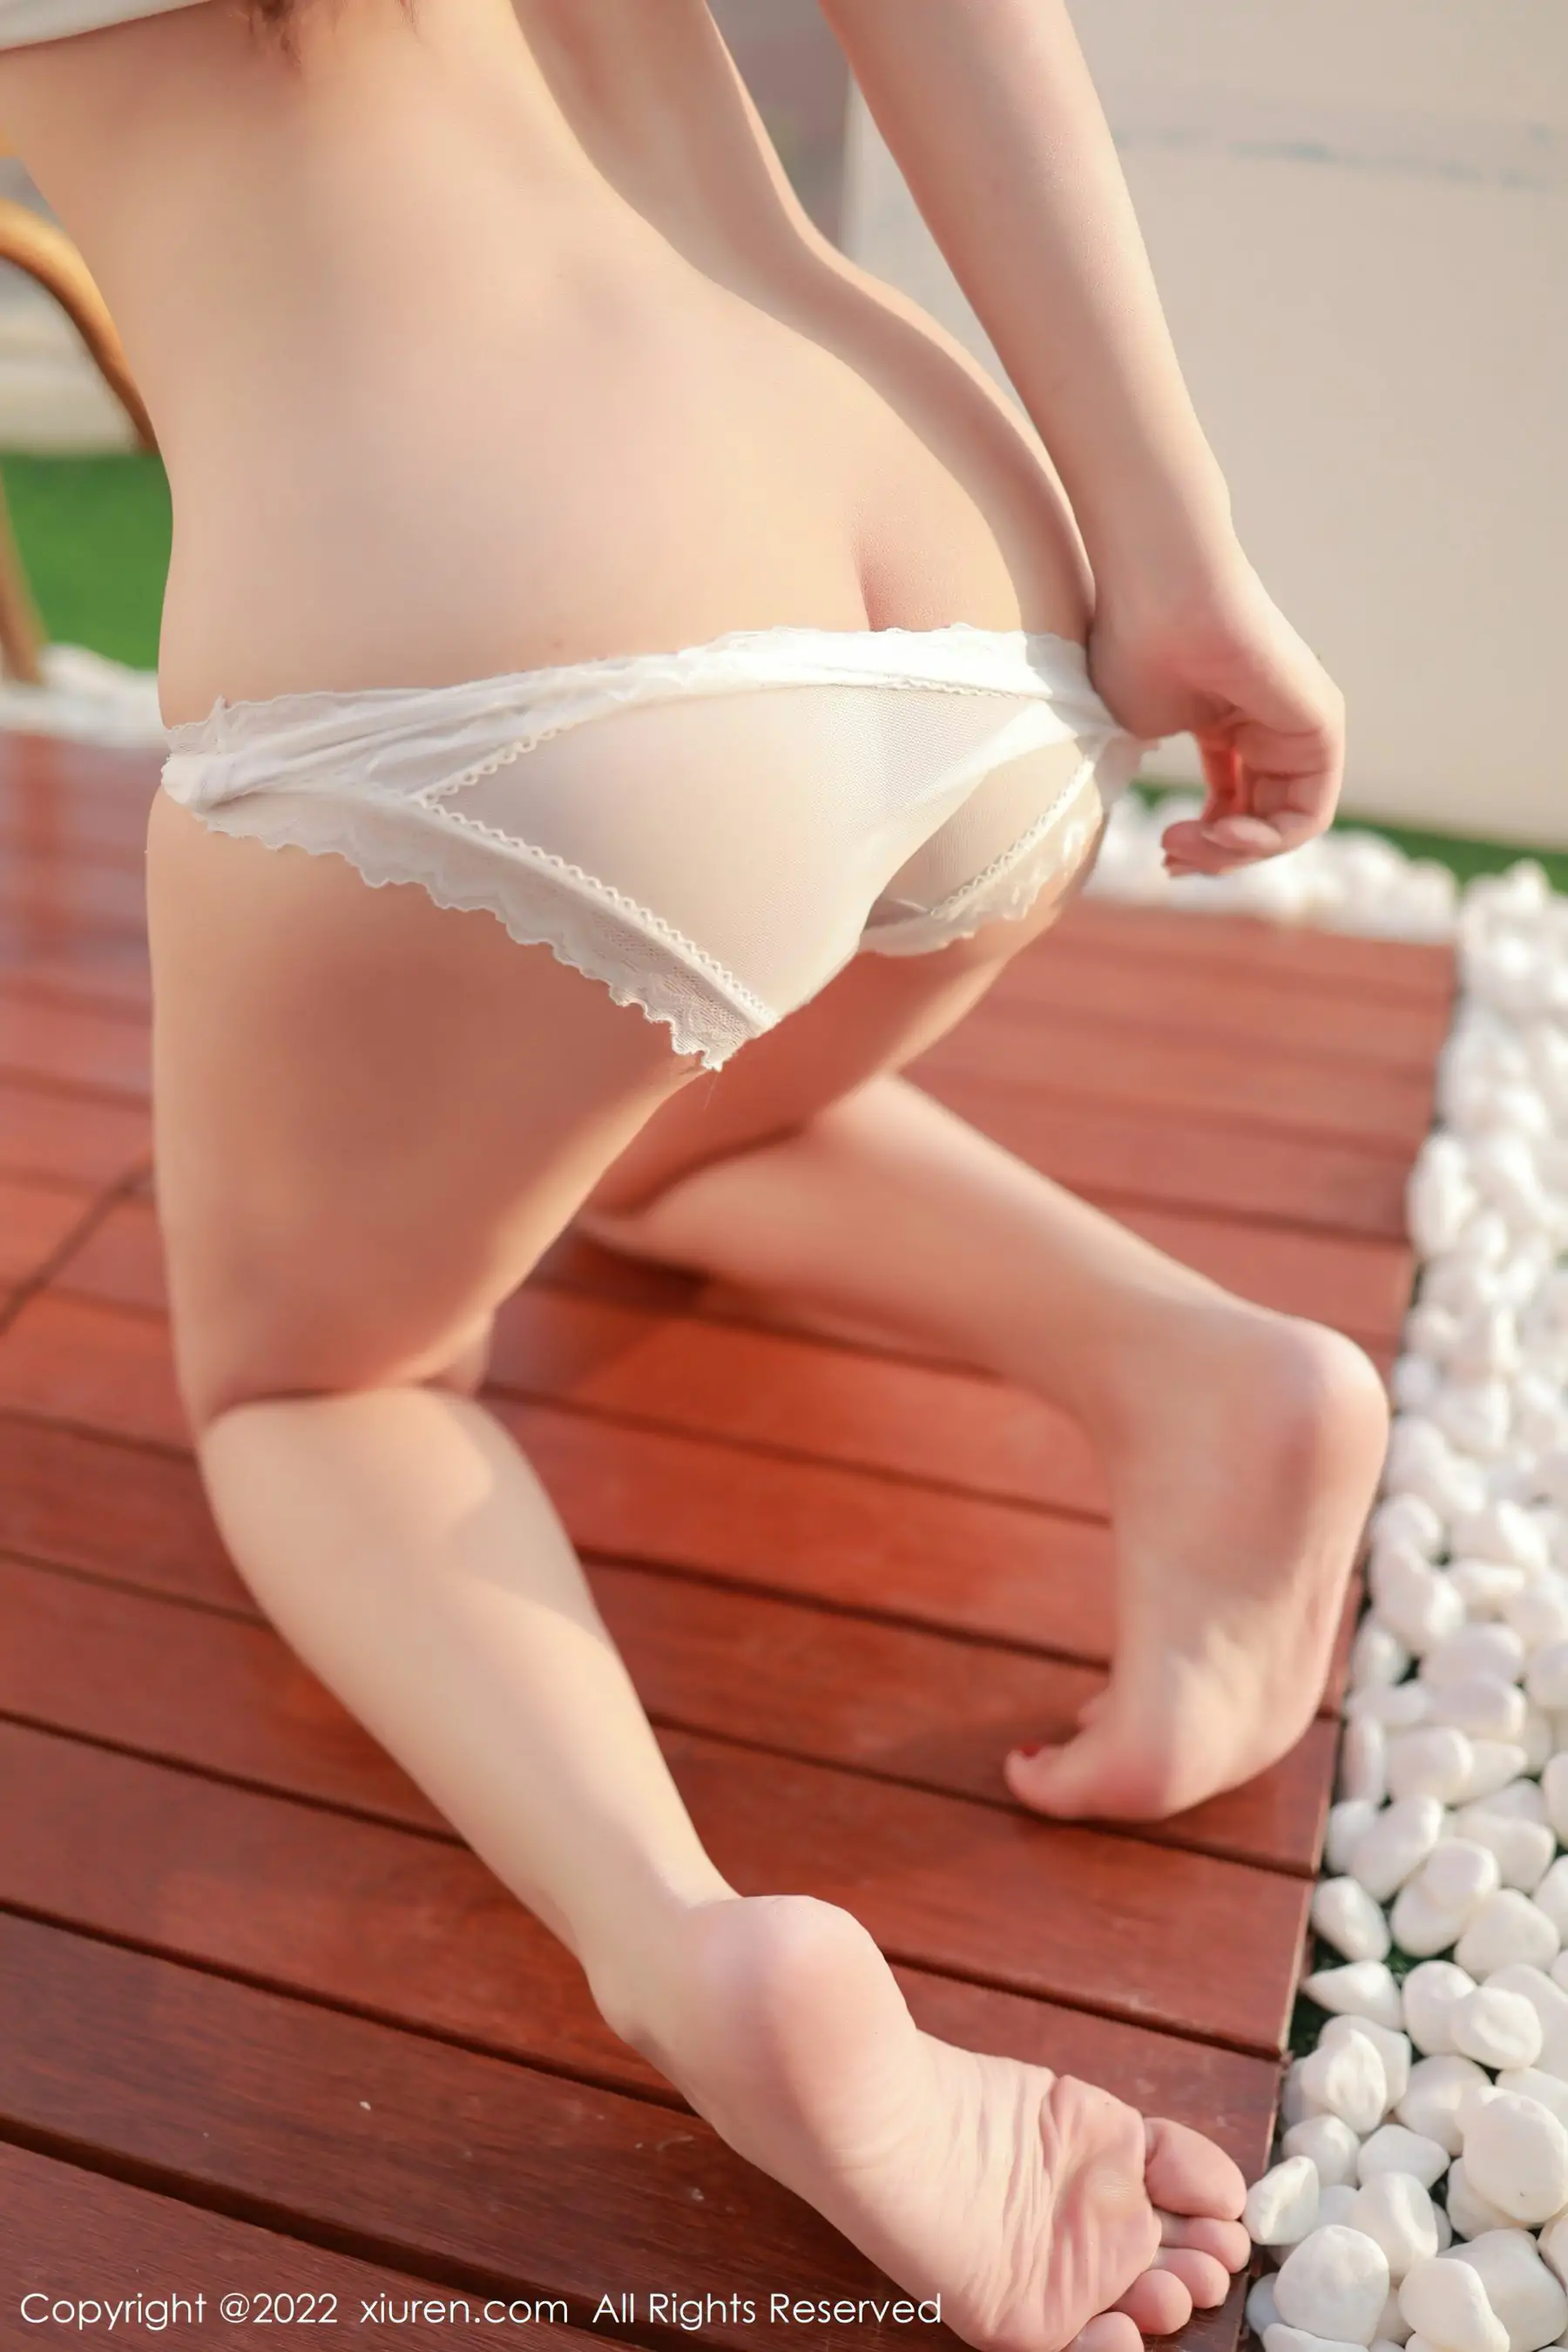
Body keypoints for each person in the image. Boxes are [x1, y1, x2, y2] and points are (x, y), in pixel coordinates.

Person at [0, 2, 1391, 2342]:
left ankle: (691, 1949)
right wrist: (1176, 540)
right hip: (959, 550)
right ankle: (1202, 1377)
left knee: (318, 1386)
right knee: (623, 1114)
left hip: (488, 627)